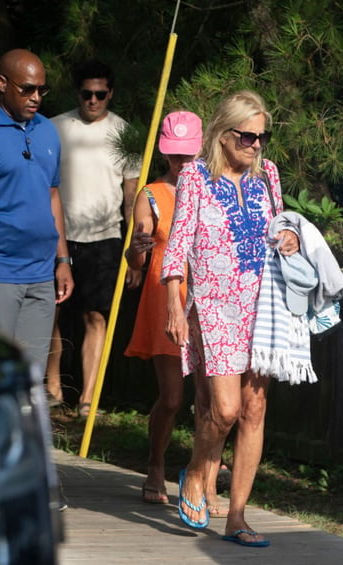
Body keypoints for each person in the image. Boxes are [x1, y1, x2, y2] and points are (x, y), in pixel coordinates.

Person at [162, 90, 299, 546]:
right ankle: (198, 473)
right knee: (224, 409)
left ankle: (237, 516)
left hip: (261, 308)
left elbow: (280, 227)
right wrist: (174, 308)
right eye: (247, 136)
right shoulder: (196, 178)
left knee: (254, 409)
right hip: (214, 308)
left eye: (262, 137)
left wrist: (290, 239)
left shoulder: (269, 177)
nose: (256, 145)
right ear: (223, 135)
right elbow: (177, 247)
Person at [124, 110, 226, 511]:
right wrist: (135, 252)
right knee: (171, 398)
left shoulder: (214, 188)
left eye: (187, 154)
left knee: (212, 399)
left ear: (201, 148)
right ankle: (155, 463)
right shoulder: (151, 193)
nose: (181, 163)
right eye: (174, 155)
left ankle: (205, 477)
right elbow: (136, 257)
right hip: (165, 299)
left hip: (208, 300)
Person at [0, 48, 73, 371]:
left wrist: (63, 260)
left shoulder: (47, 130)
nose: (36, 97)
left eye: (42, 89)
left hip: (40, 273)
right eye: (27, 89)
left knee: (28, 380)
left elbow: (53, 196)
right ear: (3, 84)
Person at [45, 59, 140, 417]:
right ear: (77, 93)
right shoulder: (54, 128)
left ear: (110, 93)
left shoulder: (125, 134)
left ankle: (87, 399)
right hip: (59, 237)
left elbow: (132, 198)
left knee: (95, 317)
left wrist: (133, 251)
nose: (94, 101)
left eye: (101, 94)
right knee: (52, 312)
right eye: (87, 94)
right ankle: (53, 388)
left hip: (105, 240)